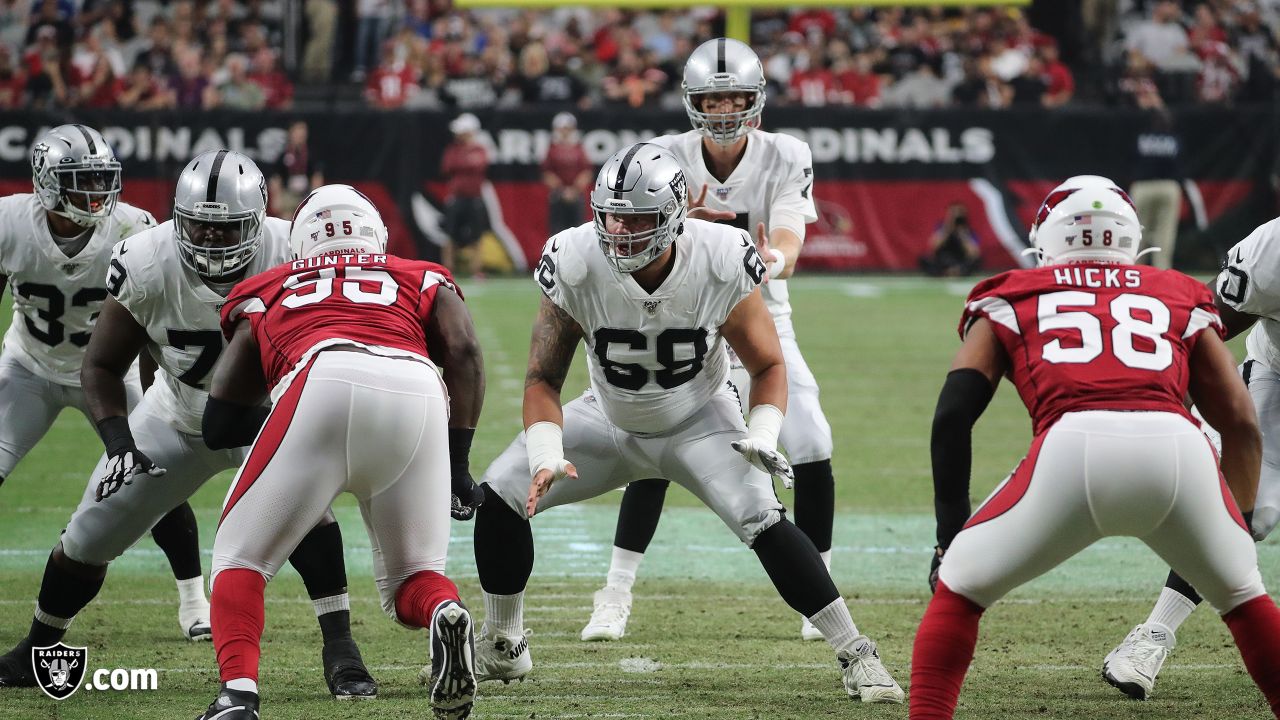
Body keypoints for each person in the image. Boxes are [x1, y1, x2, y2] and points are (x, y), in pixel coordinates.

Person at [470, 143, 904, 704]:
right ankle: (504, 641)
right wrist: (547, 448)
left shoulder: (719, 256)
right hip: (608, 415)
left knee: (763, 518)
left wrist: (764, 433)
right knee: (501, 494)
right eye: (611, 215)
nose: (621, 231)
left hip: (700, 416)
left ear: (673, 214)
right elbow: (541, 379)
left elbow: (769, 365)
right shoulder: (576, 258)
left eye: (638, 218)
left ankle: (856, 652)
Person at [0, 151, 379, 700]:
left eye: (226, 229)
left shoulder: (291, 248)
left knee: (308, 517)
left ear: (258, 221)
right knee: (87, 534)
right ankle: (39, 645)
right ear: (176, 219)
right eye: (199, 225)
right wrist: (119, 442)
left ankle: (343, 652)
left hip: (265, 418)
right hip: (176, 414)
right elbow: (102, 365)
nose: (211, 240)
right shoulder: (147, 258)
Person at [909, 175, 1280, 719]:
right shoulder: (1177, 292)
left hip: (1072, 449)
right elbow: (1242, 424)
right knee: (1245, 599)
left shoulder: (1012, 292)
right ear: (1132, 236)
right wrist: (1237, 521)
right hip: (1176, 451)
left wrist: (949, 538)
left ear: (1046, 237)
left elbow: (952, 415)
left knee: (960, 591)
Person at [583, 37, 838, 645]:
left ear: (756, 100)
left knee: (812, 441)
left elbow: (789, 234)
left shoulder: (785, 154)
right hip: (682, 314)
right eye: (712, 98)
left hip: (759, 313)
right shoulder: (664, 155)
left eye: (734, 97)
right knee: (655, 441)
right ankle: (615, 591)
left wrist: (768, 255)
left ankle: (820, 587)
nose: (724, 110)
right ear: (692, 101)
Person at [196, 185, 484, 720]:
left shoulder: (270, 284)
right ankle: (446, 610)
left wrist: (282, 427)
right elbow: (464, 351)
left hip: (321, 378)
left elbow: (219, 420)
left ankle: (237, 695)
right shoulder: (416, 273)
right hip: (416, 388)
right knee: (413, 576)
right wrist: (458, 463)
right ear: (375, 234)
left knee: (240, 558)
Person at [0, 125, 211, 670]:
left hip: (109, 373)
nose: (95, 191)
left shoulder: (133, 227)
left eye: (100, 178)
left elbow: (148, 317)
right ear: (47, 183)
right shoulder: (11, 223)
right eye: (80, 180)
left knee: (151, 475)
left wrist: (154, 397)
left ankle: (193, 599)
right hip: (29, 364)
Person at [1100, 210, 1280, 700]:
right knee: (1251, 511)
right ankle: (1153, 634)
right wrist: (1166, 398)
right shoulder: (1276, 247)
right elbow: (1203, 322)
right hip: (1277, 378)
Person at [440, 113, 490, 278]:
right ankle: (448, 269)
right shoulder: (453, 149)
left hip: (474, 198)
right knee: (450, 236)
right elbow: (447, 167)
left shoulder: (480, 149)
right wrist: (467, 162)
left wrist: (464, 162)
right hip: (456, 198)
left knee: (476, 237)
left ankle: (476, 270)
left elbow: (480, 164)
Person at [541, 112, 590, 236]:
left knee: (578, 230)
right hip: (558, 195)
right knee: (557, 230)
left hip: (576, 195)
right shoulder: (552, 149)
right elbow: (547, 173)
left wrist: (574, 190)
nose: (564, 132)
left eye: (567, 129)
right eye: (562, 128)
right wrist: (561, 190)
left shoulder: (579, 149)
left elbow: (586, 172)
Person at [268, 120, 323, 218]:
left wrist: (316, 196)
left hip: (306, 193)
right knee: (286, 218)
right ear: (290, 133)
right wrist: (277, 197)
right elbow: (276, 177)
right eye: (297, 130)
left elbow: (317, 176)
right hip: (288, 194)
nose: (300, 134)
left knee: (307, 217)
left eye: (303, 131)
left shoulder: (311, 154)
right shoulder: (283, 155)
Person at [919, 203, 981, 278]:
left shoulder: (968, 231)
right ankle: (946, 271)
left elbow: (973, 254)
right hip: (944, 260)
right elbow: (933, 247)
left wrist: (963, 235)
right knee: (924, 259)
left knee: (977, 261)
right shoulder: (941, 228)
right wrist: (948, 228)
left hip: (960, 261)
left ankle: (955, 271)